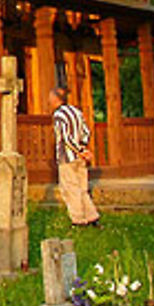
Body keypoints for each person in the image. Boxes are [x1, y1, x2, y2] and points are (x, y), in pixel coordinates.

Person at [50, 86, 100, 227]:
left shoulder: (59, 115)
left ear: (55, 98)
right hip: (80, 157)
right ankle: (92, 216)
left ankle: (78, 219)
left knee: (70, 188)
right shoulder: (76, 112)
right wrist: (83, 148)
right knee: (82, 188)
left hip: (67, 157)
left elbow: (66, 137)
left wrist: (78, 150)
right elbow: (86, 131)